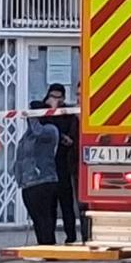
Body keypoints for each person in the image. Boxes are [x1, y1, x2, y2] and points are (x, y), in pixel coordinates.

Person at [16, 99, 61, 245]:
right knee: (37, 219)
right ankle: (42, 245)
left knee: (46, 219)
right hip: (28, 183)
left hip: (44, 180)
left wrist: (33, 116)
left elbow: (38, 132)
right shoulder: (26, 135)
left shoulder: (50, 130)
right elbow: (21, 156)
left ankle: (49, 246)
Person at [41, 83, 78, 243]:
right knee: (49, 206)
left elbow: (70, 137)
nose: (56, 100)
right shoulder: (41, 110)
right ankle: (49, 239)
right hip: (47, 165)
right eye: (53, 96)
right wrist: (50, 107)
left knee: (66, 204)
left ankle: (71, 237)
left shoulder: (68, 113)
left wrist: (64, 137)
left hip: (63, 164)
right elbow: (44, 129)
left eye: (59, 97)